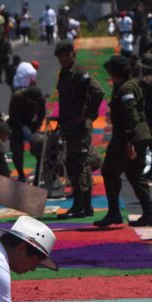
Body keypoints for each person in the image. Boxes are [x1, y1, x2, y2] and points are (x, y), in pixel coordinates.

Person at [95, 55, 152, 227]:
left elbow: (131, 116)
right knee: (136, 175)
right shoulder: (129, 84)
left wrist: (129, 141)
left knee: (109, 171)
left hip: (128, 137)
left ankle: (114, 213)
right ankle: (149, 214)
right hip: (137, 136)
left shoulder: (126, 89)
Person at [54, 40, 105, 219]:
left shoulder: (80, 73)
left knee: (79, 165)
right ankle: (84, 205)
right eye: (58, 56)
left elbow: (98, 91)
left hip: (80, 128)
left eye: (63, 55)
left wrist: (88, 114)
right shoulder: (65, 73)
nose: (60, 59)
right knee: (75, 165)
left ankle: (81, 206)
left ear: (70, 54)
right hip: (70, 127)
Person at [9, 86, 45, 182]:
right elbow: (12, 115)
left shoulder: (40, 99)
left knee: (39, 147)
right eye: (32, 101)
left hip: (31, 125)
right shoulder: (17, 97)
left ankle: (38, 174)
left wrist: (36, 127)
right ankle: (21, 174)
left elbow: (41, 115)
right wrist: (22, 127)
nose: (34, 104)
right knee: (17, 151)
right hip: (16, 125)